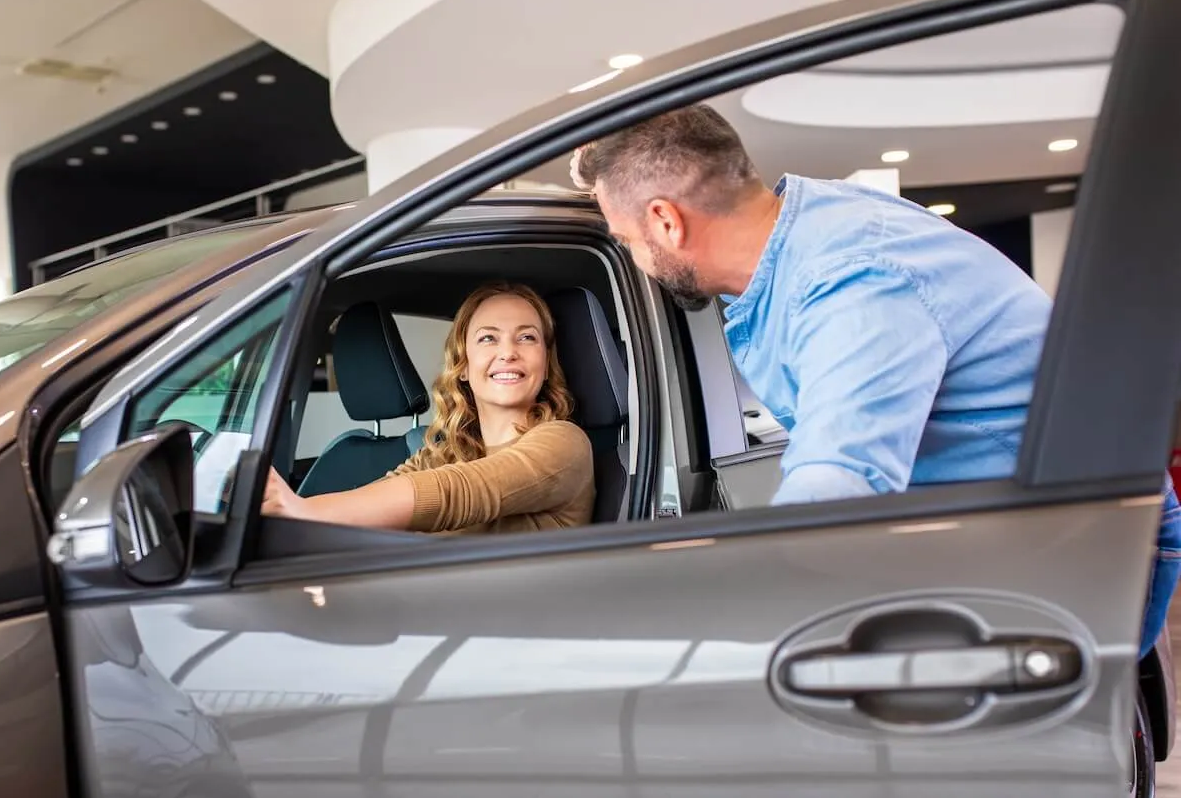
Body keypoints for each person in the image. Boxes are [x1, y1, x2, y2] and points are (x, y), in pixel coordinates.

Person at [569, 103, 1180, 657]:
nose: (636, 261)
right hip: (1000, 525)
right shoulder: (816, 221)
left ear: (666, 222)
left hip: (1074, 539)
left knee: (1029, 759)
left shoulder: (854, 281)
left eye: (627, 241)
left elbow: (836, 490)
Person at [261, 282, 595, 535]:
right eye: (488, 339)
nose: (508, 352)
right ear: (463, 365)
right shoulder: (445, 450)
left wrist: (300, 510)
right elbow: (379, 498)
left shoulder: (564, 443)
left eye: (527, 338)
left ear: (545, 362)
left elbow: (456, 491)